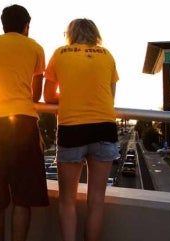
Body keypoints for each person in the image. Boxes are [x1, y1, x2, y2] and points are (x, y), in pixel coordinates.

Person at [0, 4, 49, 241]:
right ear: (26, 25)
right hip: (23, 124)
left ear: (3, 24)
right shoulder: (35, 47)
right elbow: (35, 95)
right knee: (22, 197)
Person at [43, 18, 119, 241]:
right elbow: (110, 96)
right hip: (105, 127)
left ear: (70, 34)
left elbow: (48, 97)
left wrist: (69, 96)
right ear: (95, 34)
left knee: (67, 200)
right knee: (96, 200)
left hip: (72, 129)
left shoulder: (60, 53)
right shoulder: (107, 55)